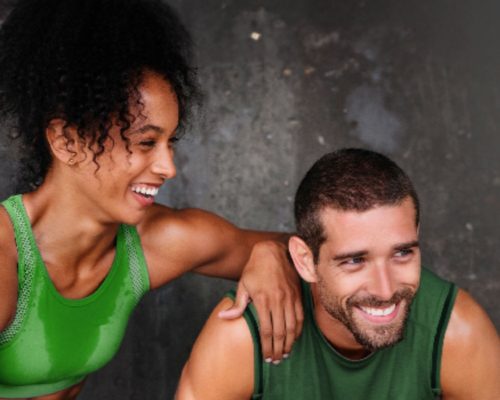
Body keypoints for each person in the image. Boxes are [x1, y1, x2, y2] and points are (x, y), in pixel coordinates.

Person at [0, 0, 304, 399]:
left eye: (169, 142)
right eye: (146, 142)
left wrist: (268, 254)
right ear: (66, 141)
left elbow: (325, 255)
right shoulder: (7, 253)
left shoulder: (156, 242)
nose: (168, 167)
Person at [177, 148, 500, 400]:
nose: (385, 290)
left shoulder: (457, 333)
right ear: (304, 261)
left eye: (402, 253)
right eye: (355, 261)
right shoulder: (241, 336)